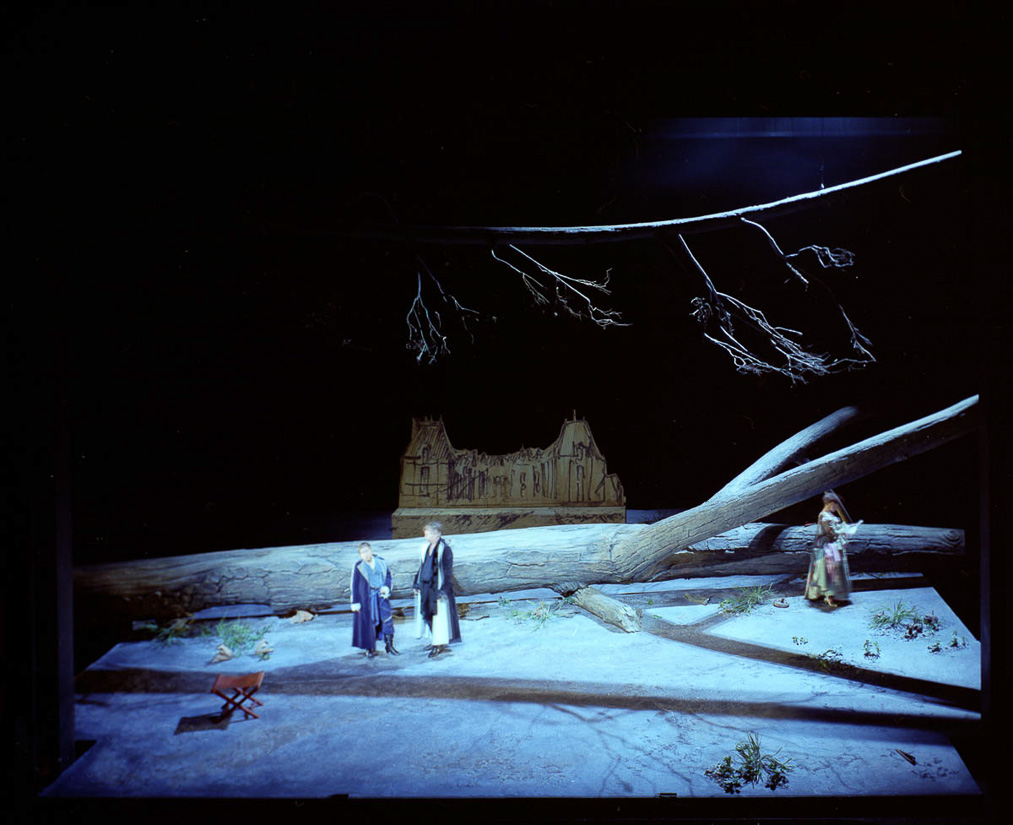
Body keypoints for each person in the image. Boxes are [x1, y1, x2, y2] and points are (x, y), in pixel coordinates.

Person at [412, 521, 461, 658]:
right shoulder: (426, 547)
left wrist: (443, 590)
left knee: (437, 616)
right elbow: (422, 567)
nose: (426, 537)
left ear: (438, 534)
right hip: (425, 586)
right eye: (426, 534)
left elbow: (447, 571)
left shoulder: (444, 549)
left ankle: (438, 643)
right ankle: (435, 639)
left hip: (436, 587)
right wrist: (416, 583)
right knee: (426, 614)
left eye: (428, 534)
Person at [805, 491, 861, 607]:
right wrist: (845, 530)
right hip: (828, 547)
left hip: (833, 544)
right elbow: (832, 532)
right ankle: (828, 596)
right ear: (830, 503)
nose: (836, 508)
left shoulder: (829, 516)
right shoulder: (824, 516)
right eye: (835, 505)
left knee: (834, 570)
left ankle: (835, 595)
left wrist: (844, 528)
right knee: (828, 571)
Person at [350, 541, 399, 657]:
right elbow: (355, 585)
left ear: (371, 550)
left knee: (387, 620)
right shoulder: (359, 566)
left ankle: (389, 645)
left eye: (367, 551)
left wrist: (386, 587)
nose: (366, 554)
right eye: (363, 553)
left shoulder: (381, 562)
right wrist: (355, 602)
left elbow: (388, 576)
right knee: (369, 622)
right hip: (367, 598)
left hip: (381, 596)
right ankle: (370, 648)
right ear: (360, 554)